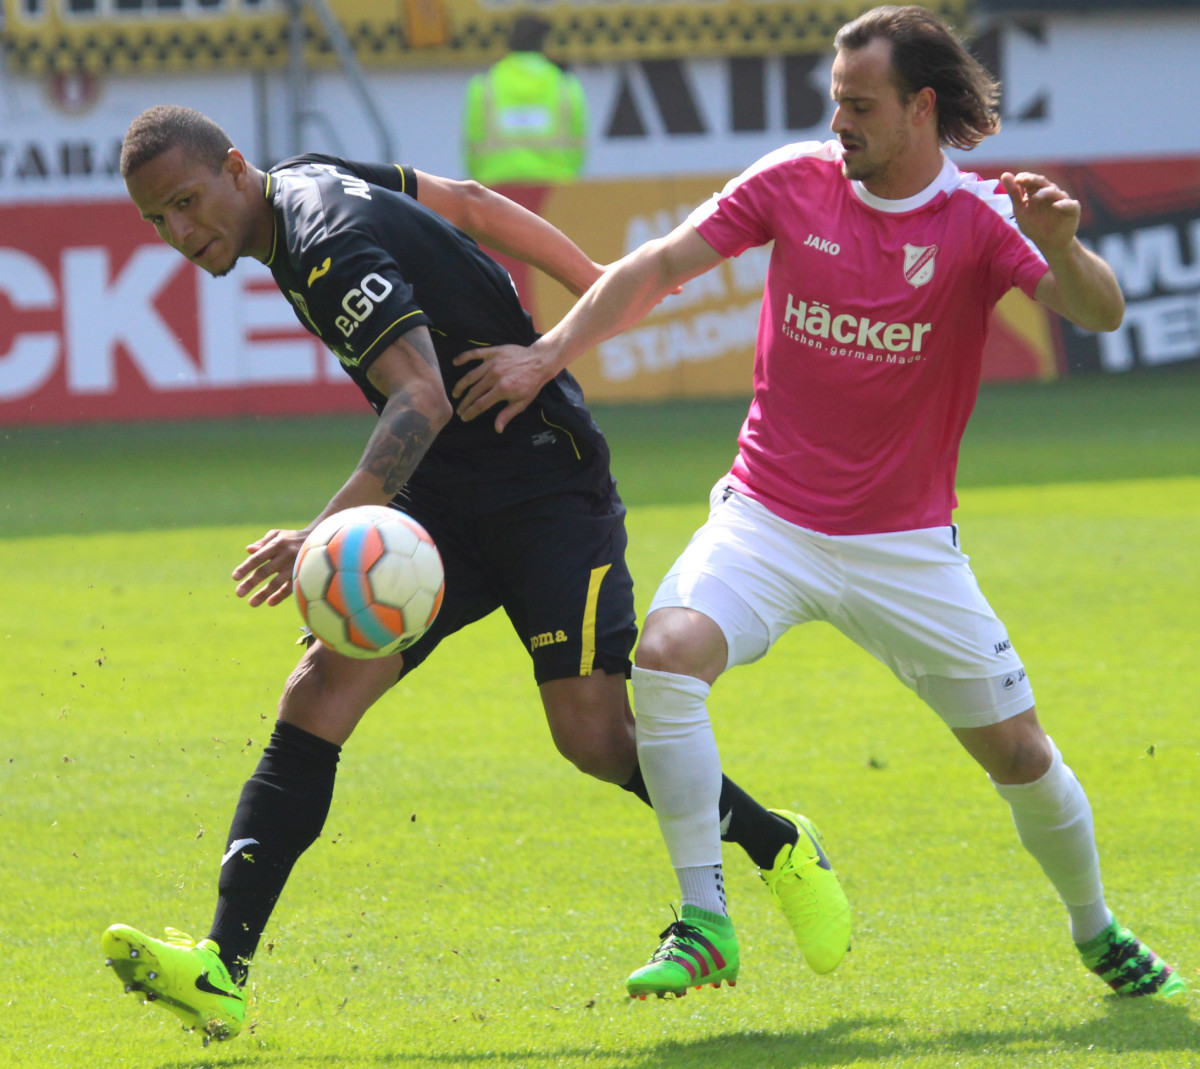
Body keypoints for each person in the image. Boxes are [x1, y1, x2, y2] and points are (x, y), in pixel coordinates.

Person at [452, 5, 1186, 1001]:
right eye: (835, 101)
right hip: (767, 519)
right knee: (664, 660)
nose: (839, 121)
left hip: (904, 545)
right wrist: (547, 354)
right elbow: (658, 266)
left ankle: (1097, 930)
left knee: (1019, 751)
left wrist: (1063, 246)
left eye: (860, 105)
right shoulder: (792, 182)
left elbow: (1098, 310)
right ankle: (705, 919)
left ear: (920, 108)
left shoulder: (979, 220)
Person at [100, 105, 851, 1044]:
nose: (178, 233)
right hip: (439, 505)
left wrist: (320, 536)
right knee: (319, 688)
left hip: (543, 489)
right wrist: (594, 285)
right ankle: (222, 968)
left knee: (592, 735)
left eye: (185, 202)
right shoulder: (306, 179)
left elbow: (421, 397)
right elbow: (469, 200)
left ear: (235, 169)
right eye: (156, 219)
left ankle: (780, 845)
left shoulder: (324, 243)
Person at [462, 13, 588, 186]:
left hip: (496, 186)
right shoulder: (566, 86)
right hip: (555, 185)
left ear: (509, 42)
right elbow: (578, 144)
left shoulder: (484, 87)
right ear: (543, 42)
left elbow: (472, 146)